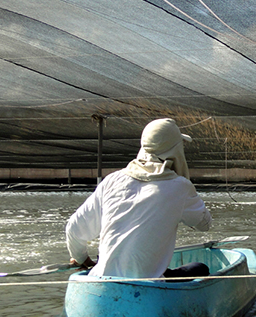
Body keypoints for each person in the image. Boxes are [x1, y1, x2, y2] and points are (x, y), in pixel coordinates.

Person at [65, 118, 212, 279]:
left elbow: (74, 228)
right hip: (148, 286)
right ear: (176, 150)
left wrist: (82, 259)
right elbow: (204, 224)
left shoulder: (112, 180)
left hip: (100, 280)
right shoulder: (180, 186)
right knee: (200, 268)